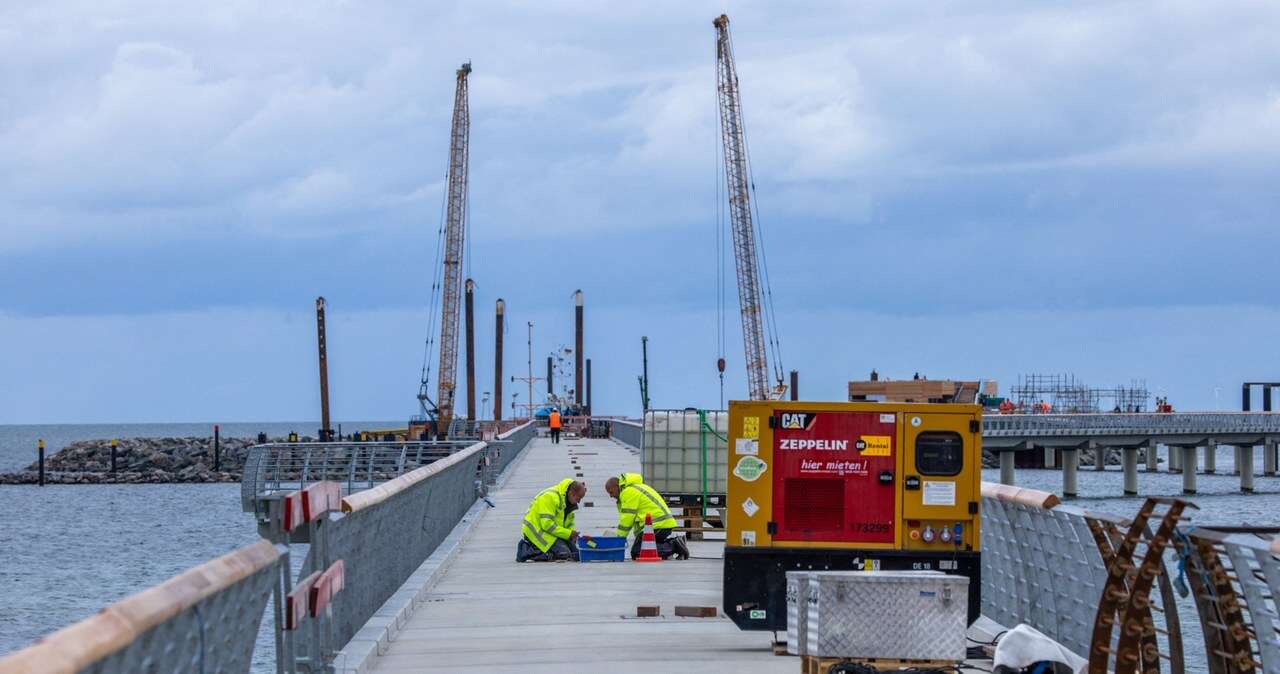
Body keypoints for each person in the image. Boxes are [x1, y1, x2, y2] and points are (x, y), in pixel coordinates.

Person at [605, 473, 690, 560]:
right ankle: (673, 545)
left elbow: (626, 521)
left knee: (637, 552)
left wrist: (618, 541)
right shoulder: (635, 488)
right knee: (640, 550)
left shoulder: (628, 492)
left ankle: (674, 545)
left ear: (617, 486)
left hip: (658, 525)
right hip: (659, 525)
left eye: (611, 492)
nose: (611, 496)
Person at [517, 479, 588, 562]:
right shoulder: (549, 497)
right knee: (564, 554)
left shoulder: (568, 502)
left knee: (576, 554)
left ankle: (547, 550)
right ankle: (527, 549)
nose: (579, 501)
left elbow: (569, 523)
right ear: (571, 493)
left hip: (552, 533)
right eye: (578, 498)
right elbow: (547, 525)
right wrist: (569, 534)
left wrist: (573, 533)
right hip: (536, 532)